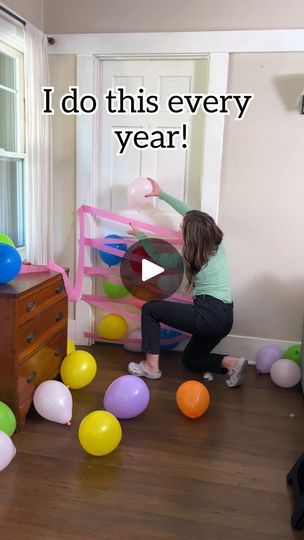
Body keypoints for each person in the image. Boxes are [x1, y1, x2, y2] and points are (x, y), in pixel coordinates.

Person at [126, 178, 247, 388]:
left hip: (208, 315)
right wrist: (161, 194)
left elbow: (159, 258)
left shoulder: (188, 257)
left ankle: (151, 367)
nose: (180, 228)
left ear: (191, 236)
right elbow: (190, 213)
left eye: (183, 228)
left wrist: (141, 235)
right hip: (226, 317)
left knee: (150, 310)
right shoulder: (218, 247)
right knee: (190, 360)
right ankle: (233, 363)